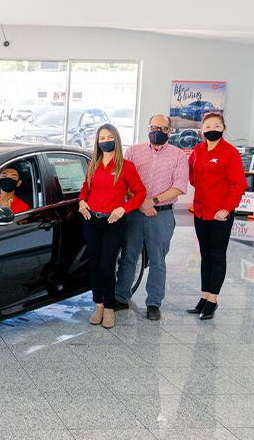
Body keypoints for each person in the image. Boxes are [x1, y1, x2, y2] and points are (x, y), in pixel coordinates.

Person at [114, 115, 189, 321]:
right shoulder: (133, 151)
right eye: (154, 127)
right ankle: (120, 297)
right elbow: (125, 182)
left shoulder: (178, 156)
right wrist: (140, 202)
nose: (158, 131)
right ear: (148, 128)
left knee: (157, 260)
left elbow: (179, 187)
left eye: (163, 128)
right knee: (129, 256)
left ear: (170, 131)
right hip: (134, 212)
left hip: (161, 215)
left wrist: (151, 201)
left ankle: (154, 303)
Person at [78, 124, 145, 329]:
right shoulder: (93, 164)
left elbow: (140, 193)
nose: (104, 140)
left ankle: (109, 308)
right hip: (91, 220)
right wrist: (81, 202)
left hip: (113, 222)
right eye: (101, 138)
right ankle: (98, 305)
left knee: (107, 267)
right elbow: (85, 188)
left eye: (108, 137)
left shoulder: (127, 166)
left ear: (116, 139)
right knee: (94, 266)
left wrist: (124, 208)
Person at [187, 112, 247, 319]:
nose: (212, 129)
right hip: (201, 211)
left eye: (216, 125)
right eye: (208, 126)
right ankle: (204, 297)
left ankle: (213, 300)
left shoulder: (229, 152)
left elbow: (239, 183)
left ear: (223, 128)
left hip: (220, 214)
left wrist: (227, 208)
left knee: (217, 256)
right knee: (205, 256)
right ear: (202, 130)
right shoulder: (198, 149)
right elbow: (192, 176)